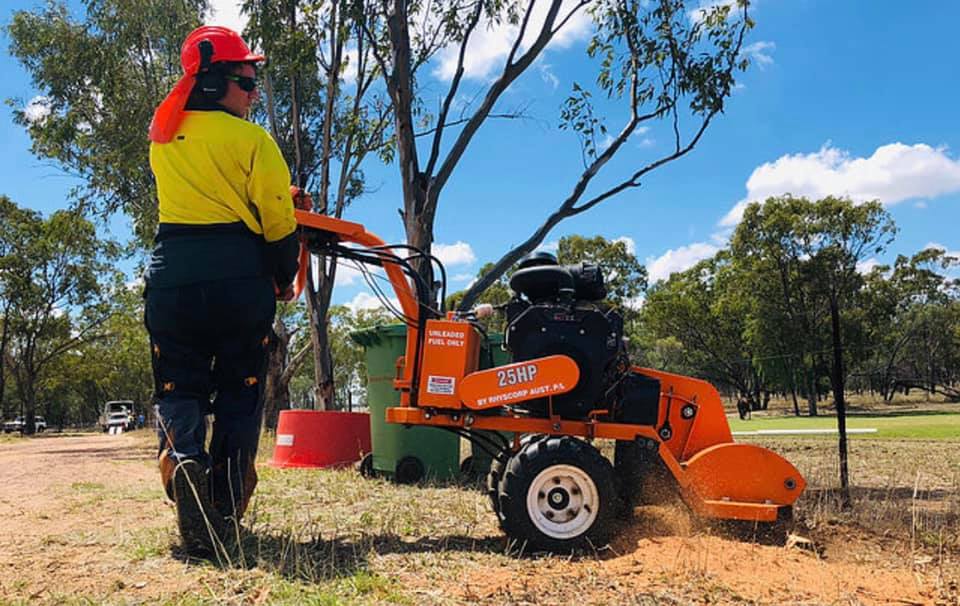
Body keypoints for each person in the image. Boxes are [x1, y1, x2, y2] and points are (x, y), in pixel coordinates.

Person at [144, 25, 303, 557]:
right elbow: (279, 222)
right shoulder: (253, 141)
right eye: (248, 81)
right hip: (239, 281)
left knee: (179, 386)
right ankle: (225, 506)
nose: (254, 93)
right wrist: (284, 277)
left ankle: (182, 464)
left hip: (172, 279)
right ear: (214, 83)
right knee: (239, 391)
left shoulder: (164, 139)